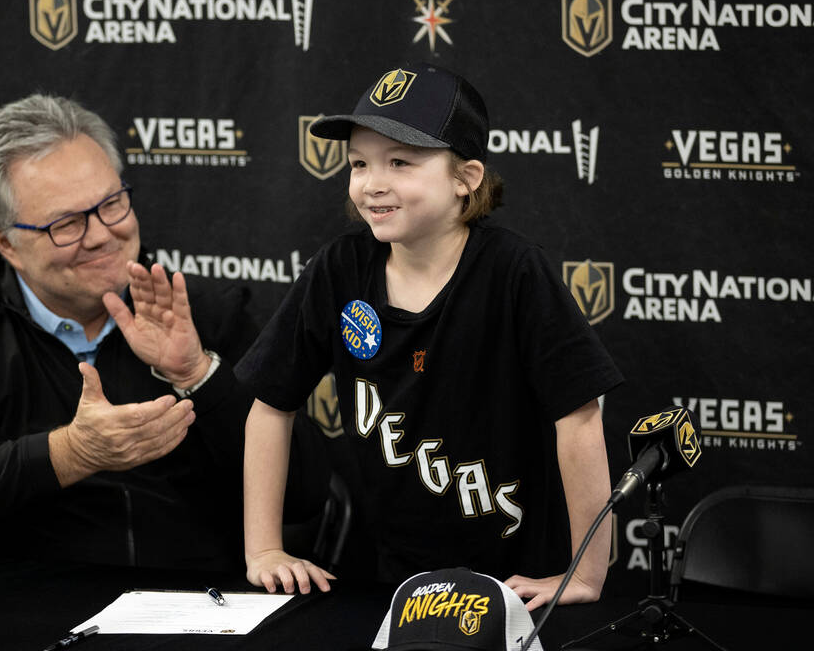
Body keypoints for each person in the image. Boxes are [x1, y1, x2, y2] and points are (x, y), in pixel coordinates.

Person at [238, 62, 624, 610]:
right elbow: (270, 405)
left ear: (465, 178)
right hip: (397, 582)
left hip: (519, 585)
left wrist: (584, 575)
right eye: (359, 163)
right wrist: (263, 550)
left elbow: (581, 416)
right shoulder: (340, 268)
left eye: (400, 162)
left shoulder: (515, 273)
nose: (373, 183)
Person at [0, 93, 326, 570]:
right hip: (35, 616)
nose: (101, 234)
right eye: (66, 223)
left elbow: (308, 494)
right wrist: (70, 453)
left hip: (203, 611)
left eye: (111, 204)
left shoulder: (208, 315)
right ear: (6, 242)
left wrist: (200, 376)